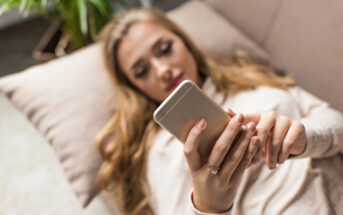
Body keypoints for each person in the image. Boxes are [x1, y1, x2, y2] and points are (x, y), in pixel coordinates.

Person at [95, 8, 343, 215]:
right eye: (141, 72)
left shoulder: (253, 78)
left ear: (184, 41)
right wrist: (208, 207)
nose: (162, 70)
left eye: (164, 49)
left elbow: (338, 125)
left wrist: (303, 138)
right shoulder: (162, 152)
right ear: (135, 89)